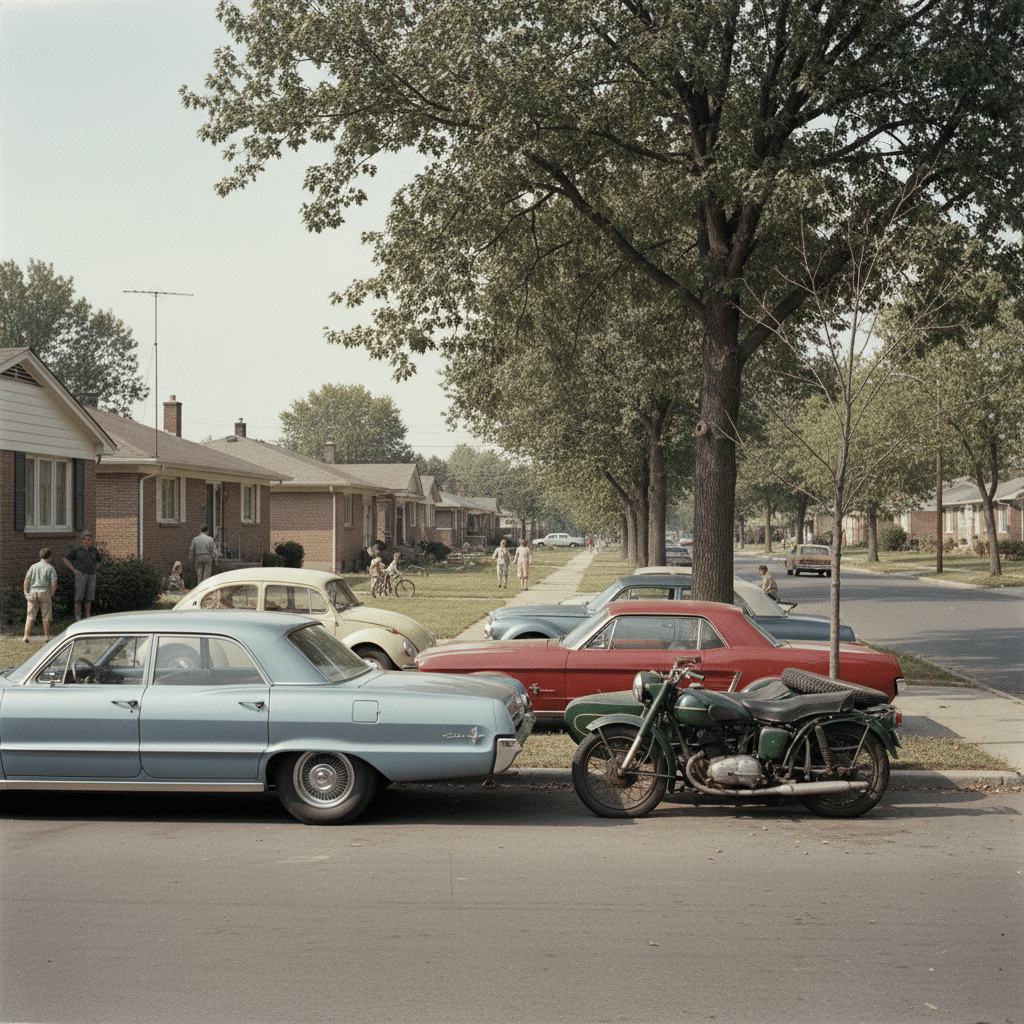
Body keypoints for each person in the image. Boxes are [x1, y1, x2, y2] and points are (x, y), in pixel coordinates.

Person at [63, 530, 101, 620]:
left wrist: (95, 569)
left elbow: (98, 560)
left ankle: (88, 617)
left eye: (89, 539)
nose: (87, 541)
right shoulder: (77, 549)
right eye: (85, 539)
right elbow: (65, 559)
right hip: (81, 576)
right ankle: (78, 617)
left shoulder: (94, 550)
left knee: (89, 598)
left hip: (91, 576)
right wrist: (73, 570)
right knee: (79, 598)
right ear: (82, 540)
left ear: (92, 541)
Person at [23, 548, 58, 642]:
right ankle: (47, 637)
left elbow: (27, 580)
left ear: (41, 556)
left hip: (33, 592)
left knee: (30, 615)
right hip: (45, 592)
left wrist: (26, 592)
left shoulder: (33, 567)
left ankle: (26, 636)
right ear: (49, 557)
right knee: (46, 615)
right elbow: (54, 582)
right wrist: (52, 592)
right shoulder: (50, 568)